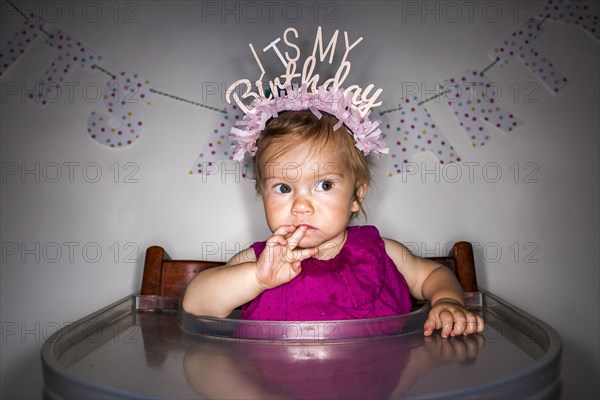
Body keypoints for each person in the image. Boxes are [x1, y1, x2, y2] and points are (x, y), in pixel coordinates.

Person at [183, 88, 484, 338]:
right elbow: (196, 305)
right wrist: (257, 279)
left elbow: (433, 273)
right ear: (262, 193)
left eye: (324, 184)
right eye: (284, 188)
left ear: (356, 195)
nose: (301, 206)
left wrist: (446, 300)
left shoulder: (381, 251)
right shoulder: (262, 261)